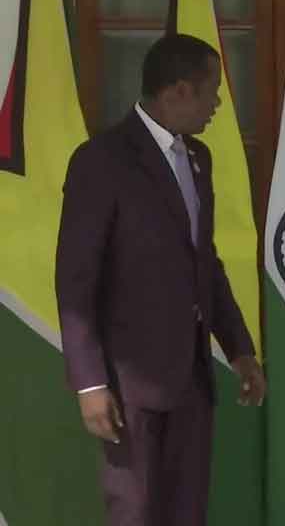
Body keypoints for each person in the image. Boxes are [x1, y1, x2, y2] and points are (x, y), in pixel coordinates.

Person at [55, 34, 265, 526]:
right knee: (136, 513)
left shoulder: (199, 158)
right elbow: (76, 279)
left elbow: (203, 263)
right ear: (178, 91)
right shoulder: (102, 160)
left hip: (191, 380)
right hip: (129, 386)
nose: (217, 105)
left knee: (185, 512)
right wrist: (89, 383)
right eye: (212, 91)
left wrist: (239, 349)